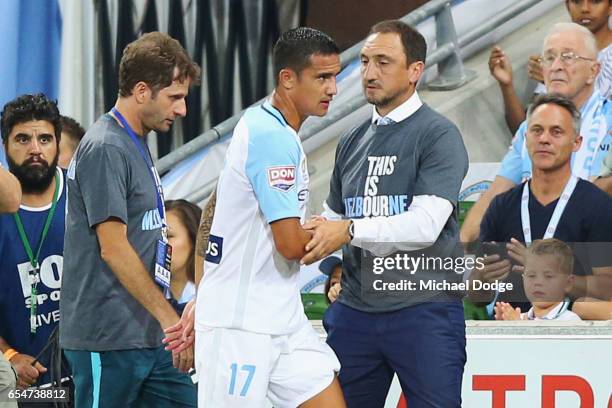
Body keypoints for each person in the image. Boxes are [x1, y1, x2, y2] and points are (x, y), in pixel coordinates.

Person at [170, 27, 346, 408]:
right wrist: (340, 232)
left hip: (282, 318)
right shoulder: (273, 139)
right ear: (287, 78)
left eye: (334, 76)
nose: (333, 88)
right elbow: (290, 246)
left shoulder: (261, 123)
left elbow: (212, 215)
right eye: (322, 77)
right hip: (241, 328)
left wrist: (205, 293)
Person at [300, 20, 469, 407]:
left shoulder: (438, 134)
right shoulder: (351, 139)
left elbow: (425, 225)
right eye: (363, 61)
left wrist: (348, 230)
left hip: (424, 311)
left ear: (415, 71)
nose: (369, 73)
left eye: (383, 62)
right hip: (356, 313)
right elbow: (333, 217)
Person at [59, 32, 200, 408]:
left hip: (148, 333)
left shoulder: (133, 142)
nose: (182, 109)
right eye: (175, 97)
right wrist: (171, 320)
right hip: (108, 339)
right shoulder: (105, 147)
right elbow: (114, 249)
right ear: (141, 91)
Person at [462, 22, 612, 244]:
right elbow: (494, 194)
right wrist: (459, 246)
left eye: (568, 57)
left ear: (594, 71)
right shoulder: (530, 128)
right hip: (532, 257)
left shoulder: (608, 122)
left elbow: (600, 195)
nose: (556, 66)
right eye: (549, 58)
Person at [470, 94, 612, 310]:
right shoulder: (502, 206)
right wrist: (481, 279)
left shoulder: (598, 206)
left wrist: (548, 274)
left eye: (556, 132)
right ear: (526, 138)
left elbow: (607, 287)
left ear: (577, 142)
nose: (544, 139)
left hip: (572, 335)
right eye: (537, 130)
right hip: (510, 332)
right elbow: (476, 297)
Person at [0, 94, 71, 401]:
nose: (35, 149)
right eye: (23, 139)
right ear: (5, 146)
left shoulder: (83, 194)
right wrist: (9, 355)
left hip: (86, 374)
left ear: (57, 144)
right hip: (21, 385)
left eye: (44, 138)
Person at [491, 0, 612, 134]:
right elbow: (525, 134)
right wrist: (507, 86)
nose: (584, 9)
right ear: (567, 6)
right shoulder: (557, 57)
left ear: (610, 6)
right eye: (576, 1)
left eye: (595, 1)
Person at [494, 239, 581, 321]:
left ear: (568, 283)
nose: (538, 282)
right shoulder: (519, 317)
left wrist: (519, 327)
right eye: (531, 275)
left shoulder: (570, 320)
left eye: (548, 276)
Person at [164, 199, 201, 314]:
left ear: (194, 239)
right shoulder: (147, 307)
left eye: (168, 236)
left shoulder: (216, 293)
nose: (160, 244)